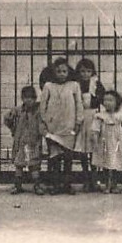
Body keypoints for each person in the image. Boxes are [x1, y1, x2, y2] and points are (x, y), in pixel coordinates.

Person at [39, 58, 84, 195]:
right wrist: (45, 122)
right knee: (54, 158)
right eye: (58, 71)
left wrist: (78, 122)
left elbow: (79, 104)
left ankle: (67, 184)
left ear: (68, 72)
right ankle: (55, 184)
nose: (61, 74)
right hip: (53, 127)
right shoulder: (48, 86)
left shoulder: (74, 85)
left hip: (69, 126)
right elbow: (43, 106)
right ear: (54, 72)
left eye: (64, 71)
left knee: (68, 157)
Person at [3, 86, 46, 195]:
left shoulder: (38, 111)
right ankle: (18, 185)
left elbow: (42, 123)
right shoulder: (18, 111)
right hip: (21, 141)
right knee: (19, 163)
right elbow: (7, 119)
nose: (28, 100)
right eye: (26, 98)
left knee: (34, 164)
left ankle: (36, 185)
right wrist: (13, 129)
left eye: (31, 98)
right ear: (22, 98)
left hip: (34, 141)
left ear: (35, 98)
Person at [74, 58, 106, 192]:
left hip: (93, 116)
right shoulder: (75, 84)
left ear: (92, 72)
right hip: (81, 117)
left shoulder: (97, 84)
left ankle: (94, 177)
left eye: (88, 71)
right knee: (83, 149)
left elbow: (103, 98)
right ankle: (85, 177)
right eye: (82, 71)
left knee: (94, 148)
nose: (85, 74)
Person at [90, 90, 122, 193]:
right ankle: (107, 185)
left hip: (116, 143)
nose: (107, 102)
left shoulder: (119, 116)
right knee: (106, 164)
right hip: (104, 143)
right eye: (105, 100)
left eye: (111, 100)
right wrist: (95, 141)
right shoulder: (100, 116)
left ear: (117, 102)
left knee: (115, 164)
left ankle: (114, 185)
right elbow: (95, 130)